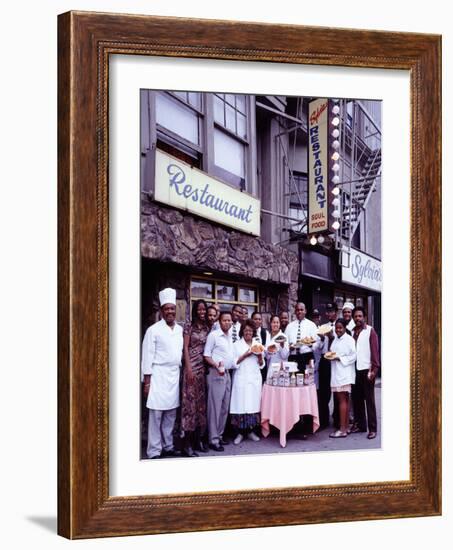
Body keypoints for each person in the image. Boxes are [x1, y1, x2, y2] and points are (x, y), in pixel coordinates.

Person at [142, 288, 183, 459]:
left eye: (172, 309)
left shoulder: (180, 329)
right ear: (161, 311)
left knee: (170, 414)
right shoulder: (153, 330)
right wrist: (147, 381)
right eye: (166, 309)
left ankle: (168, 446)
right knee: (156, 415)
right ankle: (154, 450)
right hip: (158, 376)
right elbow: (147, 357)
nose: (170, 312)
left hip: (173, 376)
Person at [285, 302, 320, 436]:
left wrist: (310, 346)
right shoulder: (289, 326)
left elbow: (317, 342)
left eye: (301, 309)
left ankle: (307, 425)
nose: (299, 311)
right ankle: (294, 424)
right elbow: (286, 344)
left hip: (306, 358)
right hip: (293, 359)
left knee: (306, 391)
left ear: (305, 311)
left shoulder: (311, 325)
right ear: (295, 311)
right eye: (297, 309)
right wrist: (290, 347)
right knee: (294, 391)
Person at [181, 299, 209, 457]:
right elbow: (185, 347)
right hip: (191, 369)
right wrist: (189, 368)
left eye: (204, 310)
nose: (202, 312)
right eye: (199, 310)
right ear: (194, 310)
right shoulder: (188, 326)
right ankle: (187, 444)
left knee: (200, 407)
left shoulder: (207, 328)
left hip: (202, 371)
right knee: (189, 407)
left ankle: (198, 440)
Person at [203, 311, 235, 451]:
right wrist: (215, 365)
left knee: (224, 407)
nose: (227, 322)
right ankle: (213, 439)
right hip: (216, 373)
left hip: (227, 374)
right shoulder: (213, 335)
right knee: (215, 408)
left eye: (229, 320)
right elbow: (206, 355)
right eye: (225, 320)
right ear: (219, 321)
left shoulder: (229, 337)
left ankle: (220, 435)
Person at [230, 320, 265, 444]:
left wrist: (260, 357)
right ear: (242, 332)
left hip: (254, 379)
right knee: (240, 406)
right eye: (246, 331)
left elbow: (262, 365)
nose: (248, 333)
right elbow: (233, 363)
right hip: (241, 378)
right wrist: (245, 355)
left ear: (253, 332)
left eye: (250, 331)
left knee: (252, 406)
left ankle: (250, 432)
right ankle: (239, 433)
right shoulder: (236, 345)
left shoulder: (258, 344)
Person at [350, 306, 380, 439]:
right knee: (357, 400)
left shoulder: (370, 331)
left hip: (367, 370)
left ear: (364, 317)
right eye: (355, 316)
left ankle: (372, 428)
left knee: (369, 401)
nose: (358, 318)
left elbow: (375, 351)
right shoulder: (352, 332)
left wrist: (374, 369)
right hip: (354, 370)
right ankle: (361, 425)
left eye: (360, 316)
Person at [325, 318, 357, 437]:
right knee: (344, 401)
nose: (338, 330)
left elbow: (354, 356)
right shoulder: (336, 340)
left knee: (342, 400)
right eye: (336, 328)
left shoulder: (349, 340)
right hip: (337, 373)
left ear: (344, 328)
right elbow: (332, 352)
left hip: (344, 374)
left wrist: (339, 358)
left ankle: (342, 429)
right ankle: (346, 427)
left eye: (340, 328)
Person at [317, 303, 339, 430]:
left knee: (336, 390)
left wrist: (332, 337)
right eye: (327, 311)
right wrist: (321, 339)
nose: (328, 314)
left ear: (336, 312)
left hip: (335, 360)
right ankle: (323, 420)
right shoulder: (322, 327)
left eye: (331, 311)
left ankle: (337, 419)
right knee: (324, 392)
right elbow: (318, 348)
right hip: (325, 360)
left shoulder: (340, 326)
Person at [265, 315, 290, 381]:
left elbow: (285, 356)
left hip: (281, 369)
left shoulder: (283, 337)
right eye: (274, 322)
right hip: (270, 368)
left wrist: (282, 345)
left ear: (280, 324)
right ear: (270, 323)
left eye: (277, 322)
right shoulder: (268, 336)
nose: (275, 324)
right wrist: (269, 351)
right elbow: (267, 356)